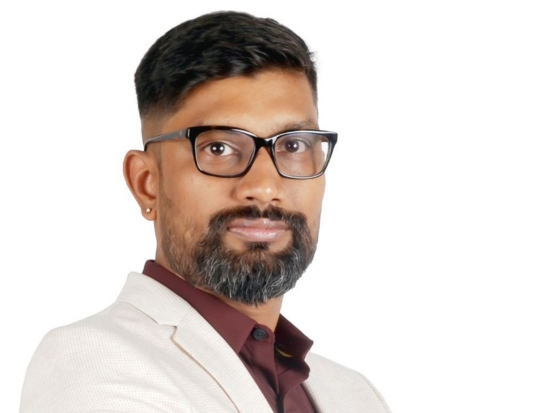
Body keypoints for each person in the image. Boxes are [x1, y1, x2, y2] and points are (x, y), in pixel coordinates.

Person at [20, 11, 391, 413]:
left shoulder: (355, 393)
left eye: (293, 145)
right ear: (147, 183)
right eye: (219, 148)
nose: (265, 186)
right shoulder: (93, 361)